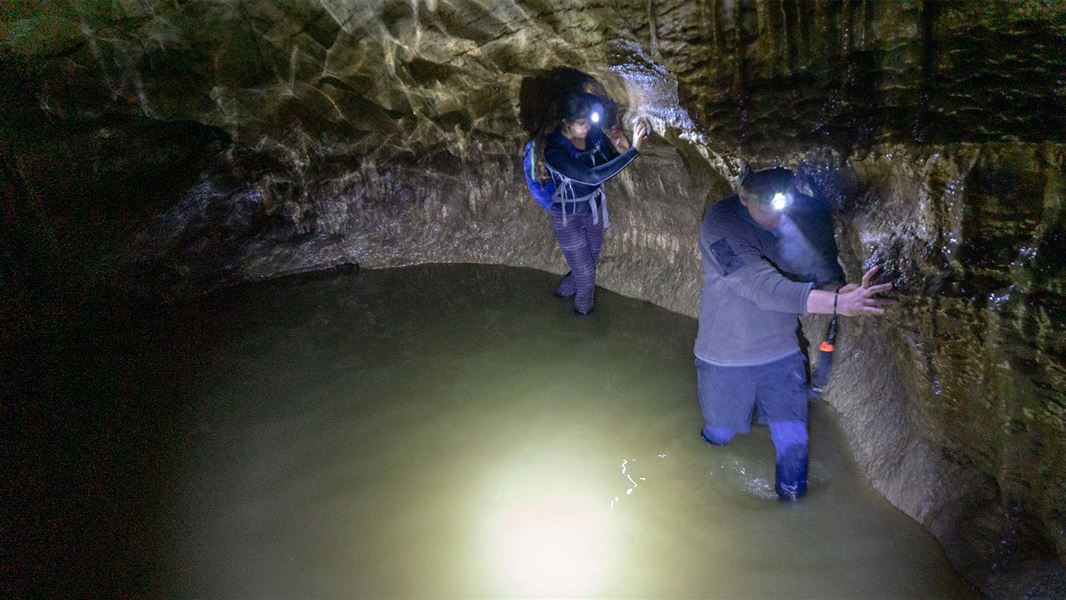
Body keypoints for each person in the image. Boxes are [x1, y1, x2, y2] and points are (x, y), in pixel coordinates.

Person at [694, 165, 896, 501]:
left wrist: (842, 292)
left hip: (781, 355)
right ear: (743, 197)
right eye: (767, 206)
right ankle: (703, 493)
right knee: (721, 434)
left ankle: (792, 509)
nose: (777, 215)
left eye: (783, 204)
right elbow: (761, 288)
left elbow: (819, 275)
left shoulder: (804, 215)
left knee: (793, 443)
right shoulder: (721, 222)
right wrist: (835, 303)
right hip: (724, 359)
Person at [533, 93, 651, 315]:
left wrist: (620, 147)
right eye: (581, 123)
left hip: (593, 210)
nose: (587, 127)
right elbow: (591, 176)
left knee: (586, 269)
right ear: (566, 123)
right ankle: (582, 324)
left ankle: (556, 299)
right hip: (568, 218)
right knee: (586, 277)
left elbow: (607, 164)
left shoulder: (594, 135)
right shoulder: (554, 151)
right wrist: (634, 151)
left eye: (589, 120)